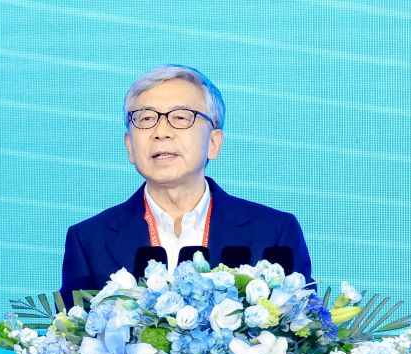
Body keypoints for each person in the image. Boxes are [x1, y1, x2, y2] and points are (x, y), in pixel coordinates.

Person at [59, 64, 312, 307]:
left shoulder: (274, 232)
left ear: (213, 143)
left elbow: (302, 329)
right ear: (130, 146)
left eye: (180, 117)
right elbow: (75, 332)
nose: (161, 132)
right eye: (146, 118)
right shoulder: (89, 240)